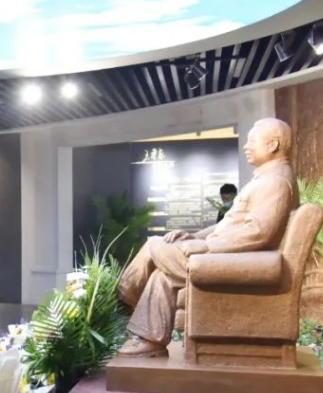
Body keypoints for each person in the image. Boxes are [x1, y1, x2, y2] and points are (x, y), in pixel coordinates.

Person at [117, 118, 298, 358]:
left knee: (153, 245)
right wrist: (194, 235)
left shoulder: (275, 181)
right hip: (228, 255)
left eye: (252, 141)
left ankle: (122, 299)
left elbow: (258, 233)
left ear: (273, 145)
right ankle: (151, 339)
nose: (246, 146)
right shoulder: (268, 178)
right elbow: (229, 225)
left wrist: (205, 246)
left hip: (234, 260)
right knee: (163, 275)